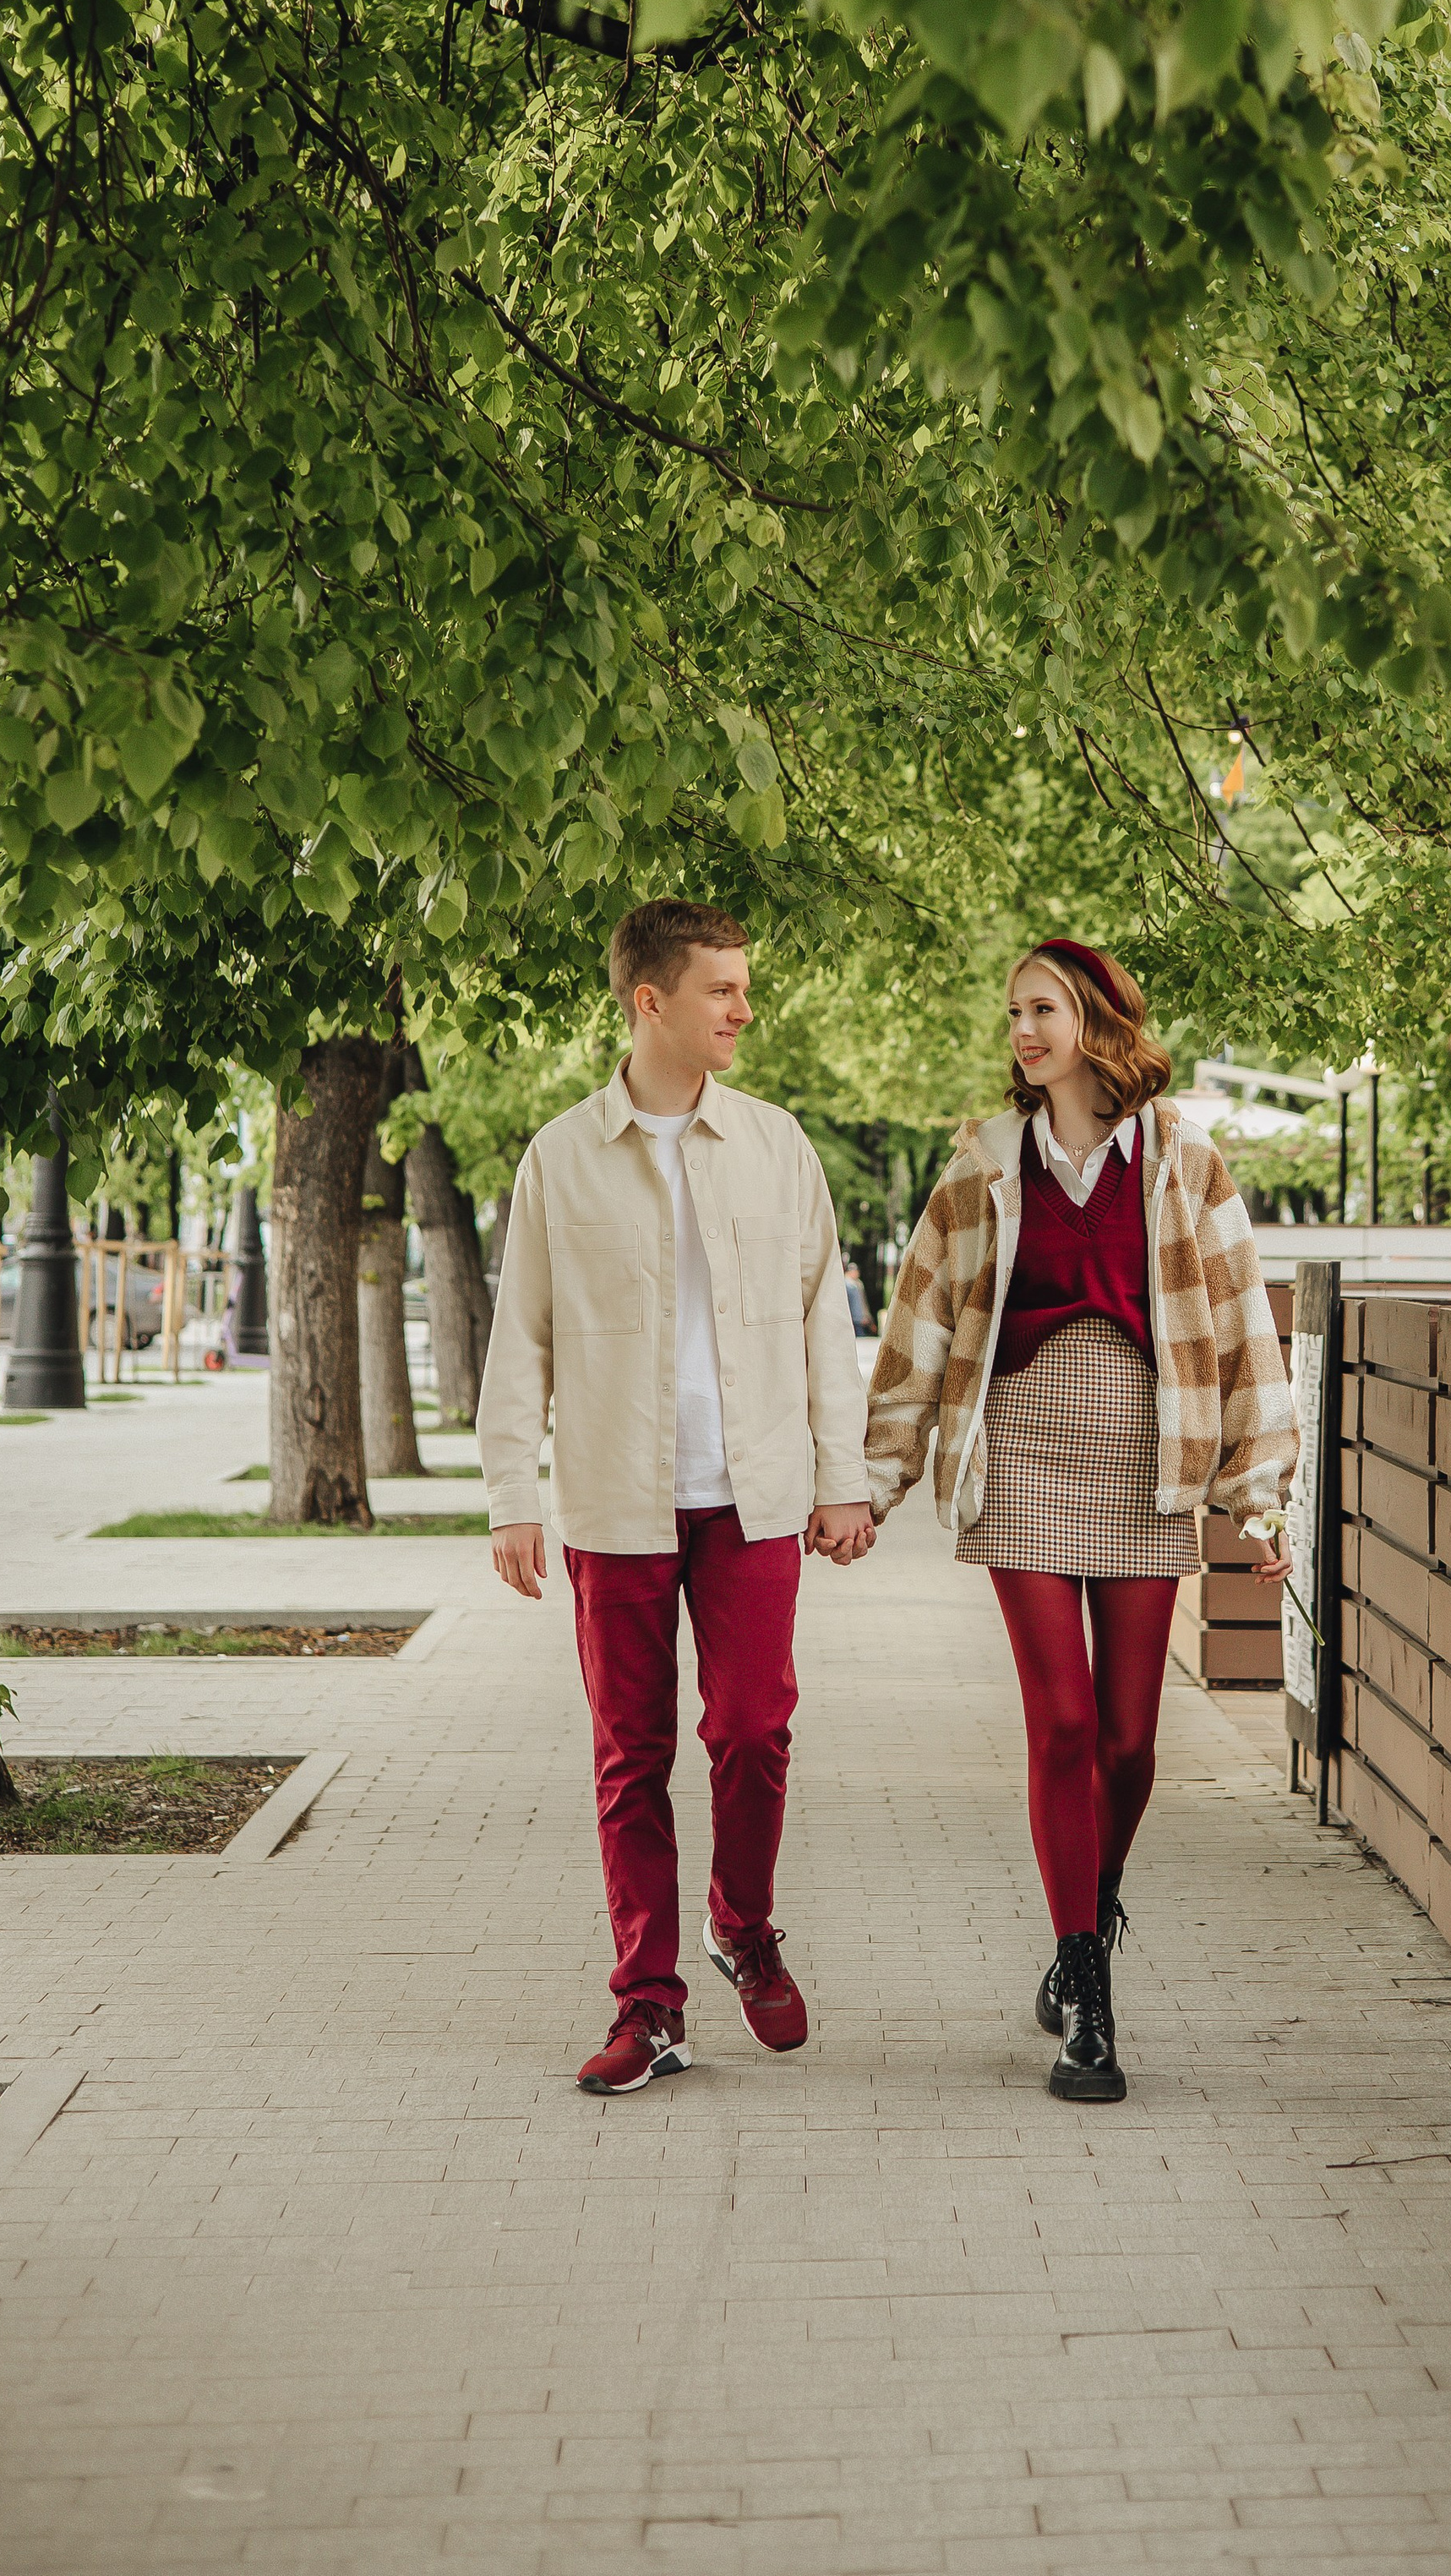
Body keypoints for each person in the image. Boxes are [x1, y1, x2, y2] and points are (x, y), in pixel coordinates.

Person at [865, 939, 1297, 2103]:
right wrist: (873, 1481)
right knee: (1059, 1724)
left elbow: (1244, 1320)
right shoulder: (983, 1167)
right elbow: (918, 1327)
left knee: (1129, 1742)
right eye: (1013, 1011)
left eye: (1042, 1008)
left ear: (1097, 1019)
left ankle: (1088, 1913)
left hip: (1148, 1468)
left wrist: (1259, 1494)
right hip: (1024, 1460)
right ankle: (1086, 1992)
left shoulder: (1184, 1163)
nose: (1022, 1028)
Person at [479, 898, 877, 2094]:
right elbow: (522, 1339)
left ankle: (741, 1926)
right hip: (616, 1503)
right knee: (630, 1757)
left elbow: (825, 1319)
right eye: (722, 989)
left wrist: (842, 1477)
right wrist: (512, 1493)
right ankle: (649, 2004)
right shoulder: (559, 1159)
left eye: (746, 986)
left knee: (754, 1731)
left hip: (754, 1499)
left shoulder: (776, 1146)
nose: (745, 1009)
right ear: (650, 1001)